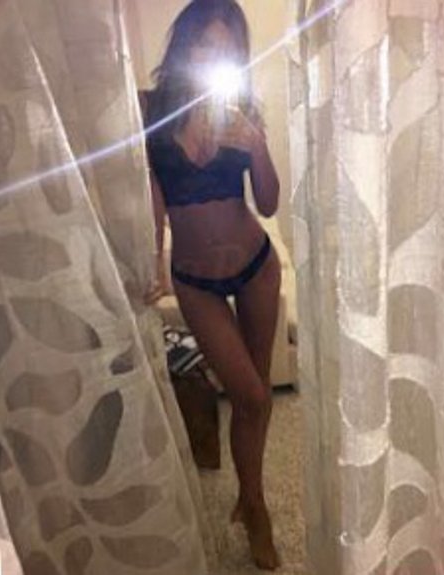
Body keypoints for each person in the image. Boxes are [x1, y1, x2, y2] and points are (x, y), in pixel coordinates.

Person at [144, 0, 281, 570]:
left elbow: (268, 204)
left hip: (256, 266)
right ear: (186, 43)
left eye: (227, 48)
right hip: (197, 281)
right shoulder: (150, 111)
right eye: (206, 43)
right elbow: (151, 198)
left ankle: (251, 501)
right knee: (252, 395)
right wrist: (151, 263)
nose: (214, 56)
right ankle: (255, 507)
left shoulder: (242, 110)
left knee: (256, 402)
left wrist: (258, 146)